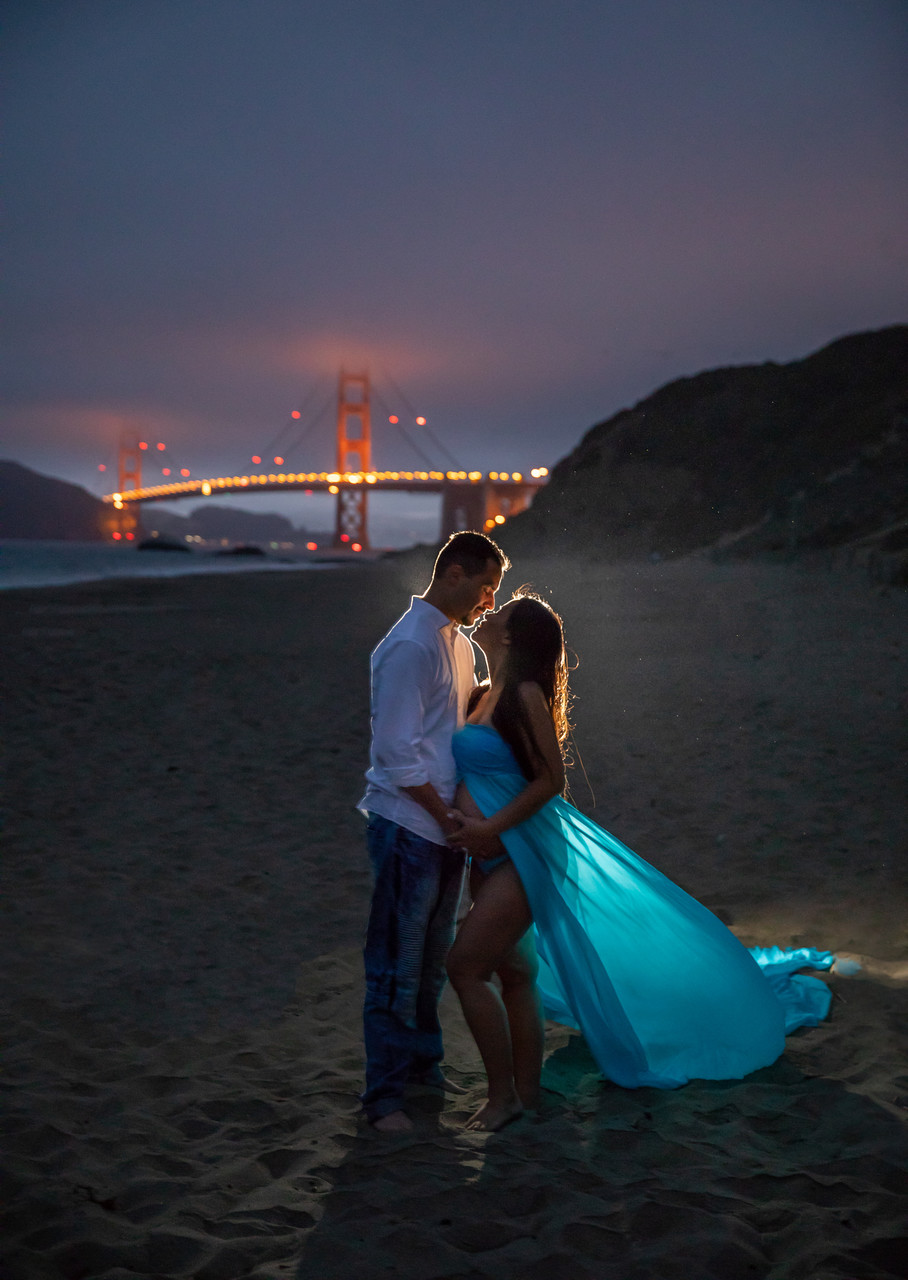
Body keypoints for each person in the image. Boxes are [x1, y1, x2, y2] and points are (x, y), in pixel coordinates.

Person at [445, 593, 836, 1132]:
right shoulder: (482, 694)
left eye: (500, 614)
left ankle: (503, 1098)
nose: (487, 616)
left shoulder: (525, 696)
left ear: (511, 637)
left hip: (523, 852)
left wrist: (489, 828)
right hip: (490, 856)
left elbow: (551, 781)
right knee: (516, 972)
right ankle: (528, 1094)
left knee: (465, 967)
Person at [358, 530, 508, 1132]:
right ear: (454, 574)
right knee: (395, 963)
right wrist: (447, 817)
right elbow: (395, 754)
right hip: (409, 826)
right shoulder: (409, 646)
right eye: (485, 587)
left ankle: (422, 1070)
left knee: (431, 965)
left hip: (446, 828)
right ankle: (383, 1098)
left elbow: (459, 723)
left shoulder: (458, 644)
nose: (489, 603)